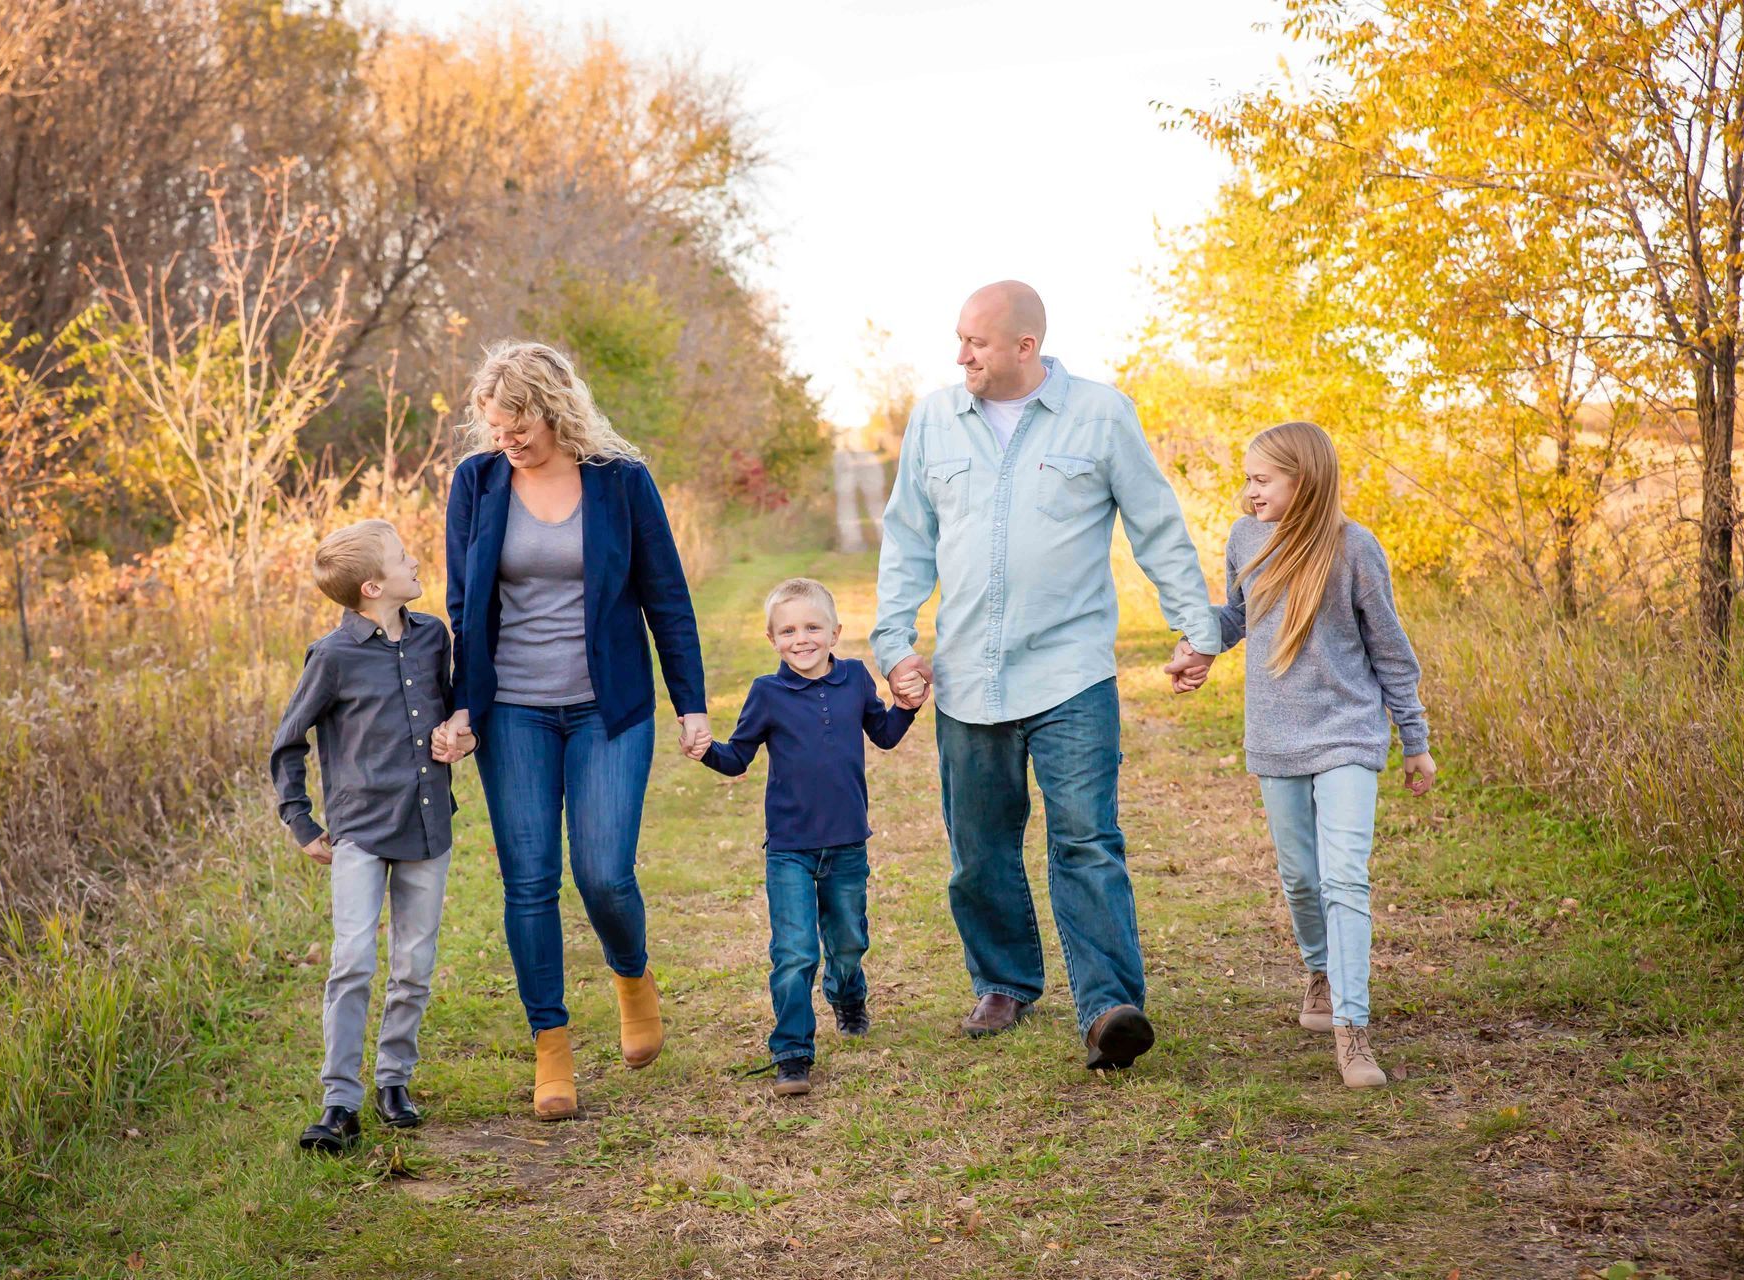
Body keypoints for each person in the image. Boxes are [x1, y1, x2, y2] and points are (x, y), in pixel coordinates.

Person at [872, 280, 1224, 1070]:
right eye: (960, 339)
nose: (961, 355)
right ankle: (1003, 981)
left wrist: (1196, 628)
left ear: (1025, 347)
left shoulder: (1100, 415)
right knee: (979, 848)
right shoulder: (934, 419)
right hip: (968, 673)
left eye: (976, 342)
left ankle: (1109, 1009)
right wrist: (894, 644)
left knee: (1087, 840)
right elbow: (907, 540)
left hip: (1071, 672)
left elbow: (1156, 524)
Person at [433, 340, 709, 1121]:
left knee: (603, 872)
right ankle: (551, 1047)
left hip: (607, 708)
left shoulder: (620, 480)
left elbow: (667, 596)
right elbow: (464, 607)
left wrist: (690, 702)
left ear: (555, 411)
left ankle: (632, 975)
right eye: (496, 428)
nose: (507, 441)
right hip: (512, 711)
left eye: (519, 426)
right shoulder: (477, 482)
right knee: (528, 882)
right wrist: (462, 704)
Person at [1165, 421, 1435, 1088]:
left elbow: (1391, 651)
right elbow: (1238, 616)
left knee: (1345, 878)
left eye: (1262, 479)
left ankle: (1352, 1030)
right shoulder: (1245, 538)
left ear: (1304, 480)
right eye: (1248, 479)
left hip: (1347, 732)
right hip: (1276, 733)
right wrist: (1197, 646)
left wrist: (1415, 740)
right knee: (1301, 878)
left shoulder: (1355, 549)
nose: (1249, 491)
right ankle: (1321, 972)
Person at [687, 577, 919, 1097]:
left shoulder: (855, 679)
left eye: (813, 627)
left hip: (847, 842)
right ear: (772, 639)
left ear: (835, 632)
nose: (801, 639)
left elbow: (884, 735)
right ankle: (792, 1052)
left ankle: (847, 994)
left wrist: (907, 706)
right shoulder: (766, 693)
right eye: (788, 631)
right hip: (790, 848)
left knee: (849, 940)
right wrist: (706, 751)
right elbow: (737, 758)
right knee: (794, 952)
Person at [269, 519, 460, 1152]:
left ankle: (394, 1079)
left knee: (414, 965)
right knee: (352, 961)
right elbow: (287, 743)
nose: (415, 562)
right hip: (359, 831)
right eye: (403, 558)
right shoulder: (332, 656)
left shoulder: (433, 637)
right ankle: (340, 1102)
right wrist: (301, 822)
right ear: (374, 587)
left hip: (426, 823)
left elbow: (453, 712)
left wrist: (460, 737)